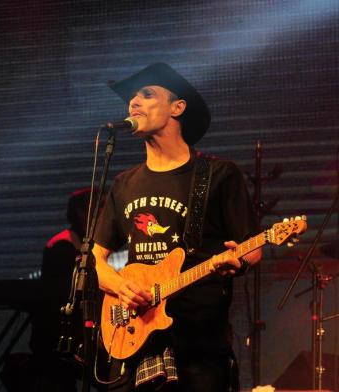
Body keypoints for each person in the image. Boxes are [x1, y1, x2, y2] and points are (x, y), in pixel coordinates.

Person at [92, 63, 262, 392]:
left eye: (146, 94)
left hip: (200, 344)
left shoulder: (218, 174)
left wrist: (237, 260)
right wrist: (119, 286)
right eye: (130, 98)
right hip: (138, 338)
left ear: (177, 107)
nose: (133, 103)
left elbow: (253, 246)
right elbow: (94, 259)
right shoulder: (124, 184)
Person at [1, 187, 99, 392]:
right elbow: (60, 297)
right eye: (101, 207)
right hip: (55, 340)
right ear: (83, 212)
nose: (105, 214)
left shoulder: (83, 244)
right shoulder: (62, 246)